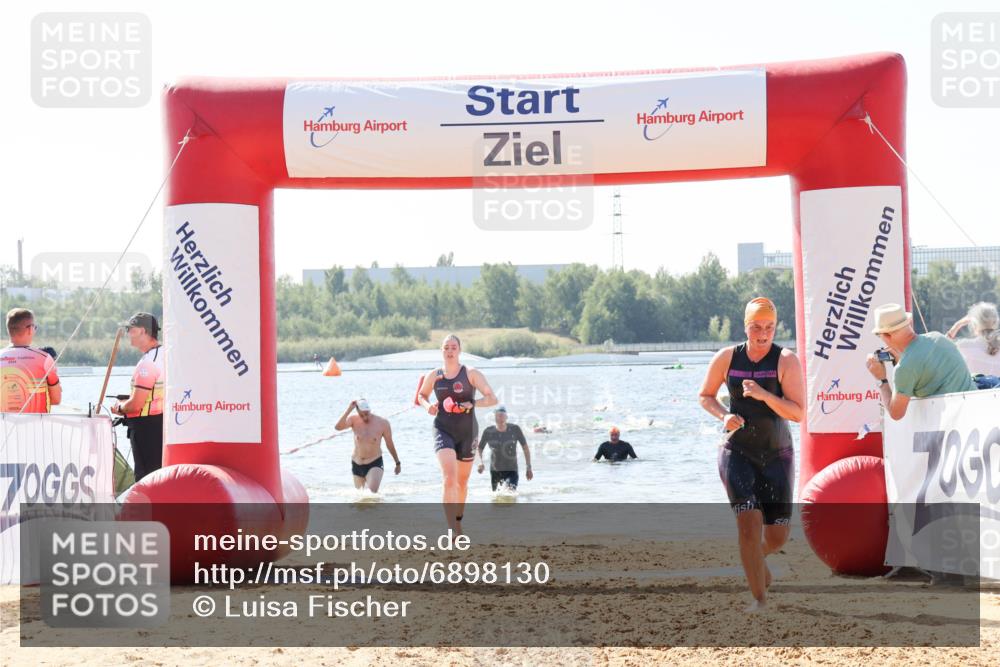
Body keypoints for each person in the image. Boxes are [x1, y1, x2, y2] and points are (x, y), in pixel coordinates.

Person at [698, 297, 804, 612]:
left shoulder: (786, 360)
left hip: (777, 454)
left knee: (778, 536)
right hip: (736, 452)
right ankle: (759, 600)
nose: (762, 333)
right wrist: (723, 415)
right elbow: (705, 396)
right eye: (756, 327)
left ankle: (754, 557)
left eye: (769, 327)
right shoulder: (727, 358)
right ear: (746, 326)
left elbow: (797, 413)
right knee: (748, 522)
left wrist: (764, 395)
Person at [417, 334, 498, 534]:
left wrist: (473, 403)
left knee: (462, 482)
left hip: (468, 432)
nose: (450, 350)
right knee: (449, 478)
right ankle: (452, 527)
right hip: (443, 429)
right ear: (442, 351)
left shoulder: (471, 373)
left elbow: (492, 398)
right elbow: (421, 395)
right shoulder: (434, 375)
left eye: (454, 347)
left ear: (459, 350)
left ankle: (458, 519)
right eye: (446, 347)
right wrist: (428, 406)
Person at [866, 303, 975, 420]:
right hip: (977, 411)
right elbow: (926, 369)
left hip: (954, 424)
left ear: (887, 335)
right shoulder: (938, 337)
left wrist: (881, 380)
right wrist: (902, 360)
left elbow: (896, 414)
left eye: (879, 335)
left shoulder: (905, 368)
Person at [111, 313, 164, 482]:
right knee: (159, 478)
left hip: (146, 428)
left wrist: (119, 407)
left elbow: (135, 405)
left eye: (130, 329)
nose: (128, 333)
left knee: (146, 479)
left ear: (142, 331)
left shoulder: (148, 362)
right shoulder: (165, 354)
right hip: (162, 424)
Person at [1, 308, 61, 413]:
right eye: (35, 327)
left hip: (4, 427)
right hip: (35, 427)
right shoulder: (45, 359)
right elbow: (56, 399)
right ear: (29, 329)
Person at [334, 398, 400, 492]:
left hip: (374, 463)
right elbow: (338, 427)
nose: (365, 417)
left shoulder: (383, 423)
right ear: (357, 411)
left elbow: (389, 444)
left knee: (371, 494)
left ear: (370, 410)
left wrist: (397, 463)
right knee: (360, 497)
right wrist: (349, 410)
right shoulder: (353, 420)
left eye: (367, 414)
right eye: (362, 415)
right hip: (357, 463)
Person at [477, 406, 532, 491]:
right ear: (495, 417)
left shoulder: (515, 429)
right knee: (497, 497)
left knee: (509, 493)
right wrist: (480, 462)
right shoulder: (488, 431)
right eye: (498, 415)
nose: (500, 418)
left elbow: (525, 448)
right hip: (495, 471)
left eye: (502, 415)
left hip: (512, 470)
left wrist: (528, 467)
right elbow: (479, 449)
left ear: (506, 417)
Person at [946, 302, 1000, 376]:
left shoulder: (964, 346)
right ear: (995, 323)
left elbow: (941, 348)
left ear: (974, 324)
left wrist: (957, 325)